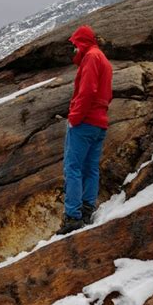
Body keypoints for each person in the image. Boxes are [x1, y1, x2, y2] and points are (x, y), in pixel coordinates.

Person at [57, 25, 113, 235]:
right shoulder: (103, 59)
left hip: (85, 122)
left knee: (73, 168)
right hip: (100, 123)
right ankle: (87, 209)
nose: (73, 49)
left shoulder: (91, 57)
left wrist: (74, 118)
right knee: (91, 167)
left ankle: (72, 216)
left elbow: (87, 91)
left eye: (74, 44)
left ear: (81, 42)